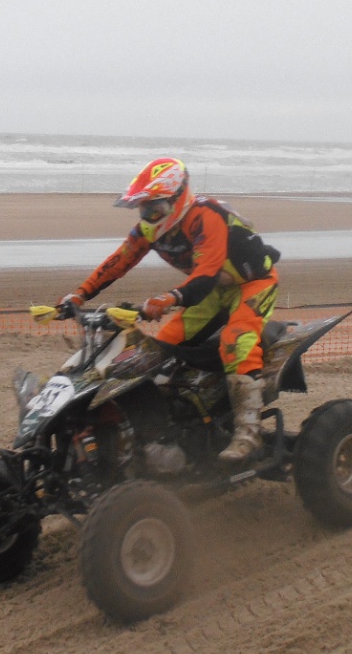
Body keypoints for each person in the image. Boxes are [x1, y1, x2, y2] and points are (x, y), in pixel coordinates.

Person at [57, 157, 280, 463]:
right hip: (216, 290)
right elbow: (118, 262)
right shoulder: (149, 231)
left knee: (236, 339)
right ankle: (175, 418)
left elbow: (205, 275)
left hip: (253, 282)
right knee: (165, 341)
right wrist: (79, 295)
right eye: (144, 209)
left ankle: (249, 433)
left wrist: (170, 298)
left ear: (179, 199)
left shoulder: (206, 216)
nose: (149, 216)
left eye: (155, 208)